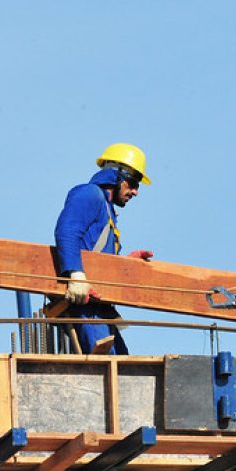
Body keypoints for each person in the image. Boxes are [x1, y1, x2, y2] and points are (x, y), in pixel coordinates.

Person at [54, 143, 153, 355]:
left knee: (125, 365)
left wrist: (124, 263)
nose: (135, 192)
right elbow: (67, 231)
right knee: (109, 369)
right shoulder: (90, 194)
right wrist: (76, 275)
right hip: (83, 303)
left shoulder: (107, 210)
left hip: (98, 306)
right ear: (115, 176)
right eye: (133, 183)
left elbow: (95, 254)